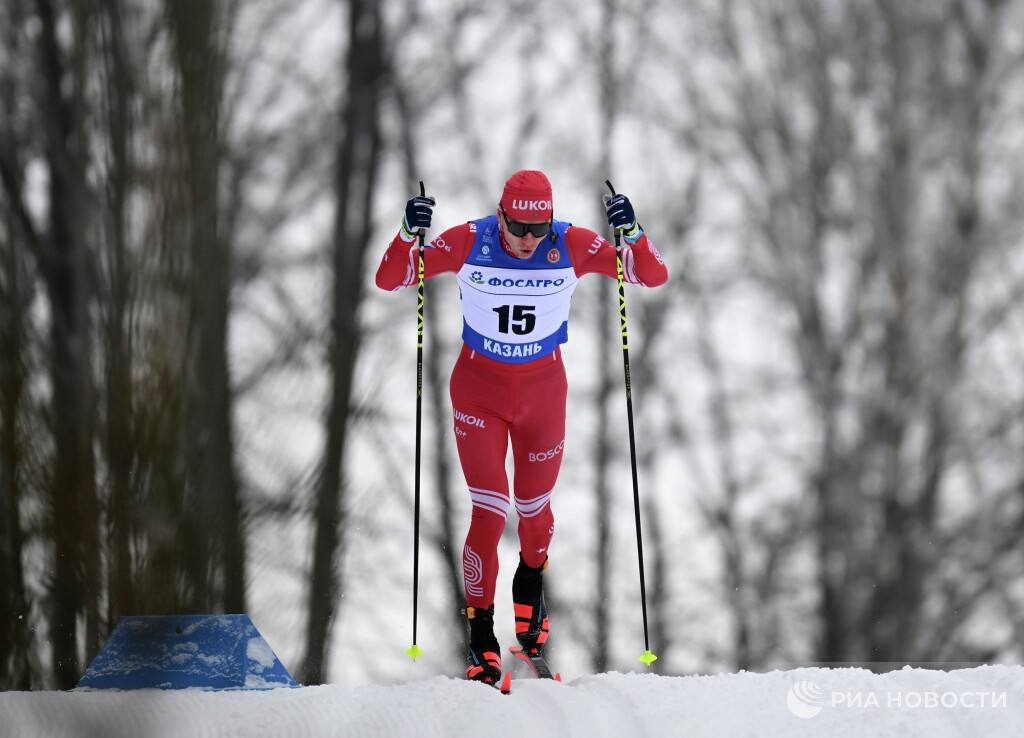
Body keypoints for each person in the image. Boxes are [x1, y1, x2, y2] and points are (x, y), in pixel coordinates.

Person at [375, 170, 668, 685]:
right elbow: (392, 278)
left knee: (534, 513)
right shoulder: (471, 239)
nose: (529, 240)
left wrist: (635, 232)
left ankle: (531, 594)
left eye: (540, 227)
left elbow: (650, 275)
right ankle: (481, 638)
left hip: (543, 394)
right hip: (478, 392)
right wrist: (406, 231)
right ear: (501, 214)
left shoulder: (571, 243)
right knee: (489, 513)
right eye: (519, 227)